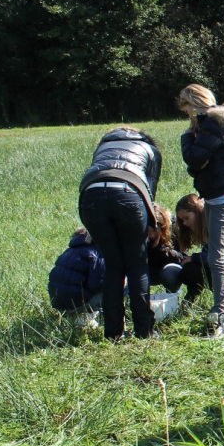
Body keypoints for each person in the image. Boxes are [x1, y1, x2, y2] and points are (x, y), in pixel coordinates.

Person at [77, 127, 162, 340]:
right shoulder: (150, 149)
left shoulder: (103, 146)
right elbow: (149, 189)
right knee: (136, 263)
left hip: (90, 196)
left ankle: (114, 333)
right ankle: (145, 331)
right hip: (129, 193)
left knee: (113, 265)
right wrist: (152, 223)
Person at [178, 84, 224, 338]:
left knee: (216, 255)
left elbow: (194, 159)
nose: (187, 116)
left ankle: (219, 317)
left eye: (187, 110)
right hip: (218, 194)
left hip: (222, 198)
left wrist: (187, 136)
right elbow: (200, 164)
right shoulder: (216, 123)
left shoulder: (211, 125)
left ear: (193, 104)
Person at [47, 227, 105, 324]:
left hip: (59, 305)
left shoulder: (70, 250)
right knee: (123, 284)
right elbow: (97, 284)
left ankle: (78, 319)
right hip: (78, 305)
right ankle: (85, 319)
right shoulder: (98, 252)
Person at [148, 203, 188, 291]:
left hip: (165, 269)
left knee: (170, 274)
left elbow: (184, 258)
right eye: (148, 231)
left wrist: (161, 249)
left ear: (162, 226)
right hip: (143, 270)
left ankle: (172, 300)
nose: (151, 235)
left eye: (154, 230)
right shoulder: (136, 231)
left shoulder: (174, 226)